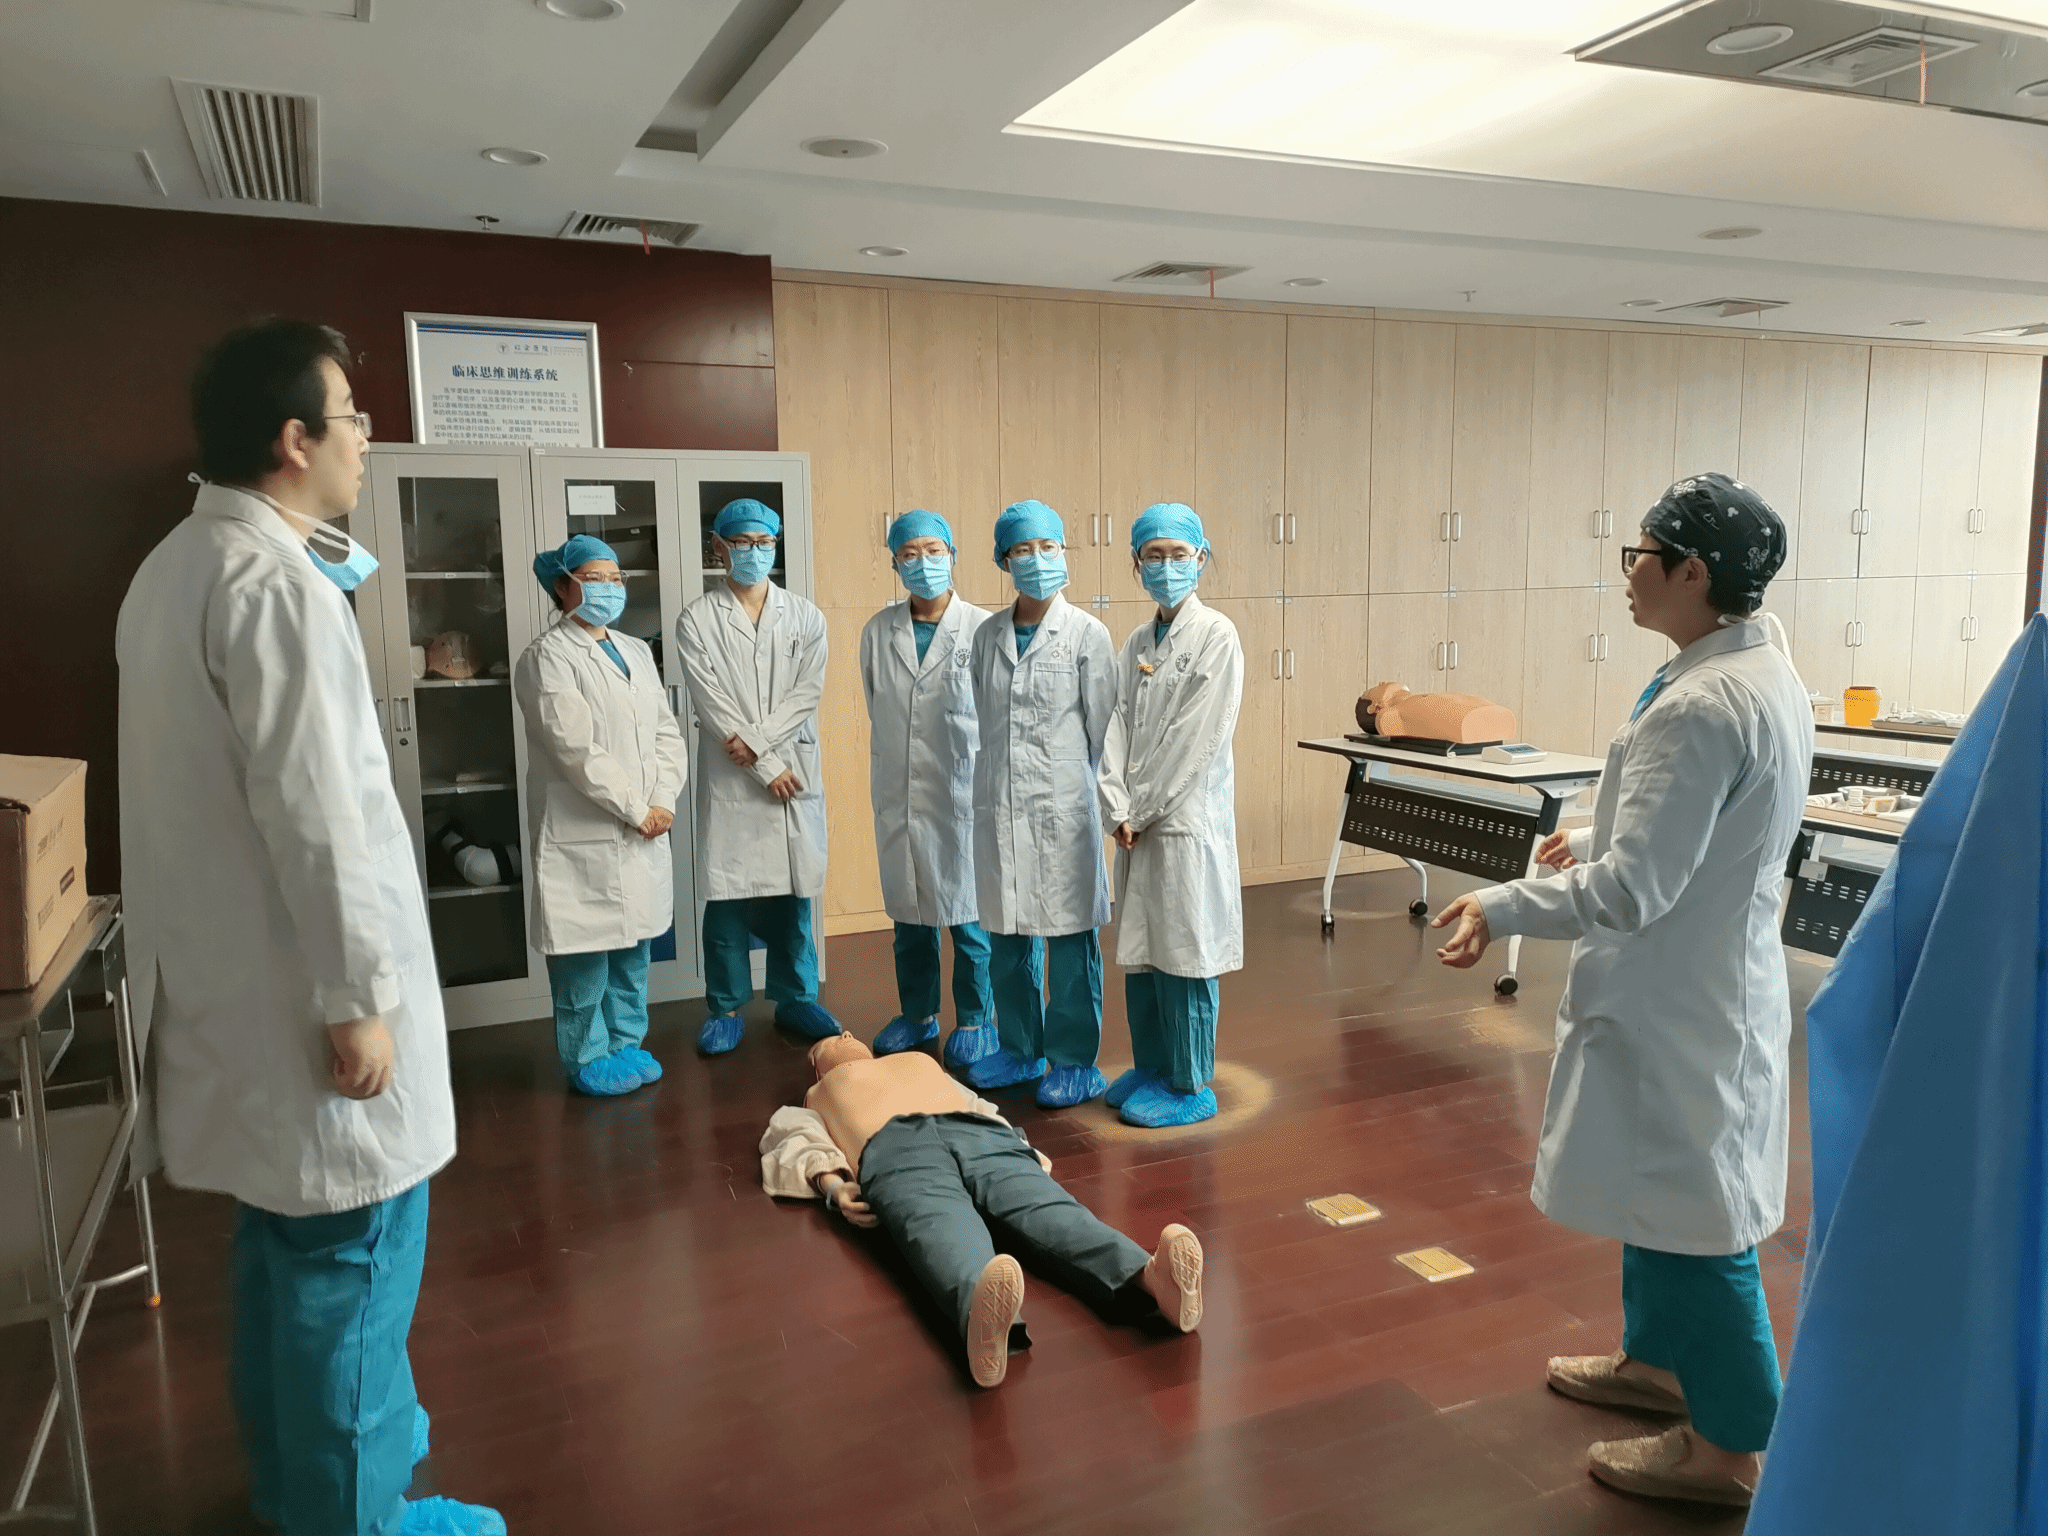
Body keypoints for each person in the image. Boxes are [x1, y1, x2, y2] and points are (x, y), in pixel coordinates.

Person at [116, 318, 501, 1535]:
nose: (365, 440)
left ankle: (297, 1495)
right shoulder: (277, 588)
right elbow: (322, 821)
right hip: (308, 1008)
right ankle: (357, 1519)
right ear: (295, 440)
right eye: (352, 418)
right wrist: (358, 1001)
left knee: (283, 1266)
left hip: (232, 998)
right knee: (351, 1272)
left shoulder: (176, 567)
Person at [1431, 473, 1809, 1509]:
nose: (1628, 573)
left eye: (1642, 554)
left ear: (1693, 572)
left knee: (1695, 1216)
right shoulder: (1752, 671)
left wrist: (1504, 904)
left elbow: (1636, 889)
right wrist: (1597, 833)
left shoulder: (1704, 704)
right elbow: (1703, 821)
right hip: (1697, 985)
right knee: (1661, 1193)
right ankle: (1658, 1365)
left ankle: (1730, 1449)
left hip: (1682, 1000)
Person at [759, 1033, 1204, 1387]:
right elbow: (795, 1140)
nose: (844, 1035)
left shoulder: (918, 1063)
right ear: (817, 1067)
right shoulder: (816, 1095)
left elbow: (977, 1105)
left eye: (846, 1034)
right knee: (942, 1230)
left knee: (1055, 1214)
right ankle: (983, 1317)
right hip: (893, 1150)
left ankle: (1151, 1278)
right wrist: (835, 1186)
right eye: (829, 1043)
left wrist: (1022, 1152)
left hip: (979, 1134)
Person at [513, 534, 687, 1097]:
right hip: (583, 829)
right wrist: (636, 809)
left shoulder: (634, 650)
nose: (609, 589)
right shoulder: (546, 657)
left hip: (645, 823)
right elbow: (575, 749)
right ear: (562, 586)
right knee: (584, 954)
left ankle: (627, 1043)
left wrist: (663, 801)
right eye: (594, 579)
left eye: (616, 579)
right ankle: (587, 1056)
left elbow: (666, 733)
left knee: (634, 947)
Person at [964, 499, 1116, 1108]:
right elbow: (985, 717)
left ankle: (1075, 1061)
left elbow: (1105, 733)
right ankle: (1020, 1048)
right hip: (1000, 808)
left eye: (1048, 547)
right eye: (1023, 549)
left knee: (1071, 940)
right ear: (1003, 560)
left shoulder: (1086, 634)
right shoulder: (986, 637)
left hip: (1063, 812)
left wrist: (1108, 806)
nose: (1037, 559)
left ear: (1063, 552)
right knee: (1007, 934)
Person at [675, 497, 841, 1055]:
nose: (753, 552)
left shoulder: (805, 616)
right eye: (742, 543)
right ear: (718, 547)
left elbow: (807, 694)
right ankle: (724, 1007)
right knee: (727, 897)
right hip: (737, 773)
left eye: (764, 542)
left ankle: (796, 997)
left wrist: (762, 748)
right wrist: (766, 764)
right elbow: (711, 703)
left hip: (788, 766)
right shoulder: (697, 619)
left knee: (794, 894)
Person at [1097, 503, 1244, 1129]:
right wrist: (1115, 806)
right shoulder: (1136, 642)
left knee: (1184, 951)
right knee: (1143, 948)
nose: (1166, 566)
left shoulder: (1217, 635)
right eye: (1153, 556)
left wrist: (1143, 808)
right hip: (1135, 823)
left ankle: (1189, 1084)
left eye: (1178, 554)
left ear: (1200, 558)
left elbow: (1195, 740)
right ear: (1136, 564)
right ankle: (1152, 1066)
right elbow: (1115, 725)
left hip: (1182, 824)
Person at [858, 510, 998, 1066]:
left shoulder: (984, 629)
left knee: (970, 917)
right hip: (902, 792)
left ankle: (977, 1019)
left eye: (933, 551)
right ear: (895, 563)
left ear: (953, 555)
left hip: (963, 794)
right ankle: (917, 1014)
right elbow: (879, 706)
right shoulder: (878, 631)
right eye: (910, 554)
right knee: (910, 917)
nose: (923, 563)